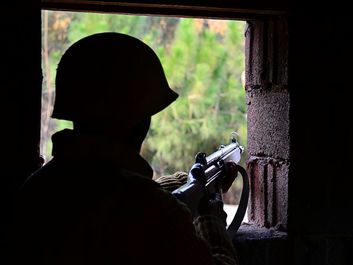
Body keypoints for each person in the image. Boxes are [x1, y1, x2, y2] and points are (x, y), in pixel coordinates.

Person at [12, 32, 239, 265]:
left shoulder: (35, 189)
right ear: (140, 120)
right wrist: (211, 222)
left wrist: (187, 181)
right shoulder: (153, 212)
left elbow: (104, 189)